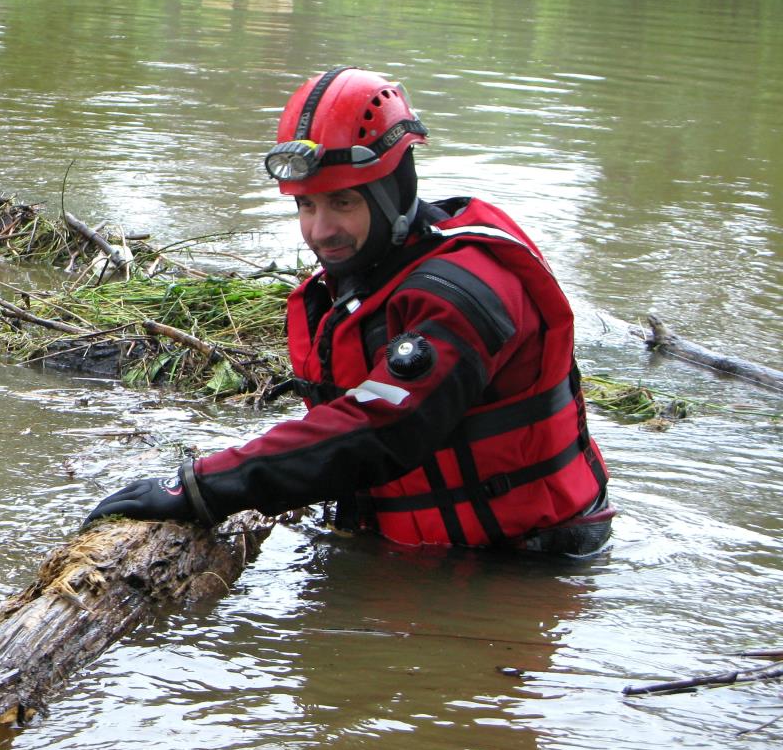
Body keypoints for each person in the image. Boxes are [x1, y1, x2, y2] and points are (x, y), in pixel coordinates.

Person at [85, 66, 614, 558]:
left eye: (343, 203)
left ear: (393, 191)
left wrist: (201, 487)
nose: (319, 231)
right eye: (306, 206)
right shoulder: (364, 276)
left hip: (525, 561)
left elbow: (379, 429)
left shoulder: (463, 293)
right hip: (418, 549)